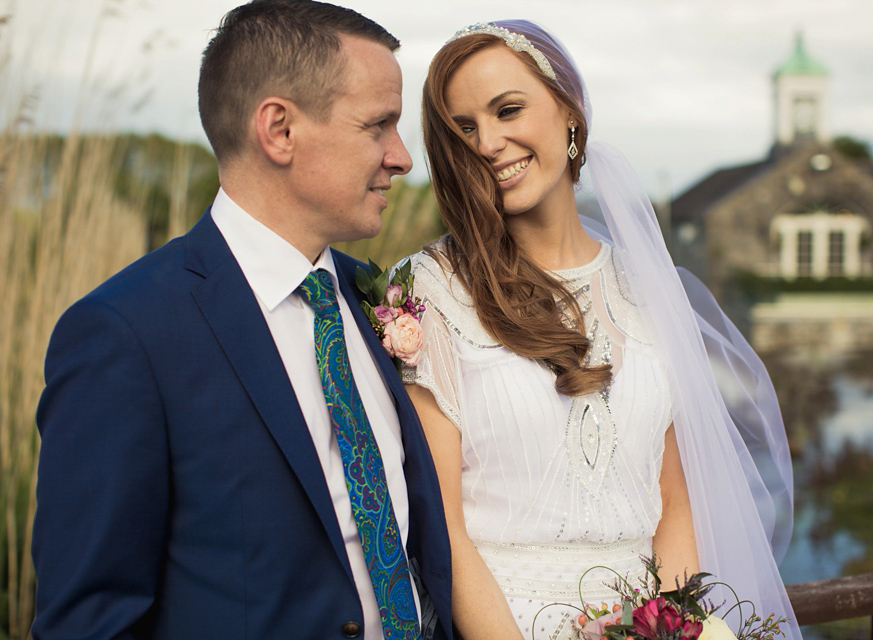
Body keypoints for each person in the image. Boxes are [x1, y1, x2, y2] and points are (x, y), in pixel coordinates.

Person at [31, 2, 452, 639]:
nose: (402, 158)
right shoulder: (126, 334)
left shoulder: (372, 299)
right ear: (279, 129)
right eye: (378, 126)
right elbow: (89, 621)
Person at [400, 20, 801, 640]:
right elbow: (442, 526)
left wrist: (670, 629)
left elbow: (675, 505)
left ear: (569, 111)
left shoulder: (647, 289)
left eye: (509, 110)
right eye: (465, 129)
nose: (488, 142)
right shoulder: (429, 291)